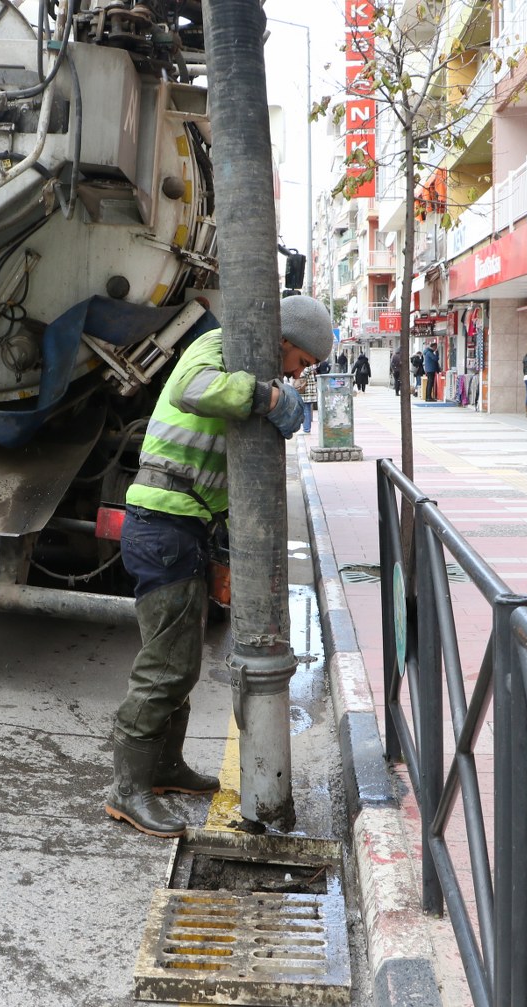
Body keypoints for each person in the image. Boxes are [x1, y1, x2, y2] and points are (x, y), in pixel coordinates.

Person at [106, 294, 330, 838]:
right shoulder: (219, 346)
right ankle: (126, 789)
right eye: (299, 362)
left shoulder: (247, 361)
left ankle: (163, 767)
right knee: (166, 664)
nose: (296, 375)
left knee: (179, 659)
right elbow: (192, 389)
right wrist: (264, 396)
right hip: (161, 523)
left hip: (182, 526)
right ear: (285, 338)